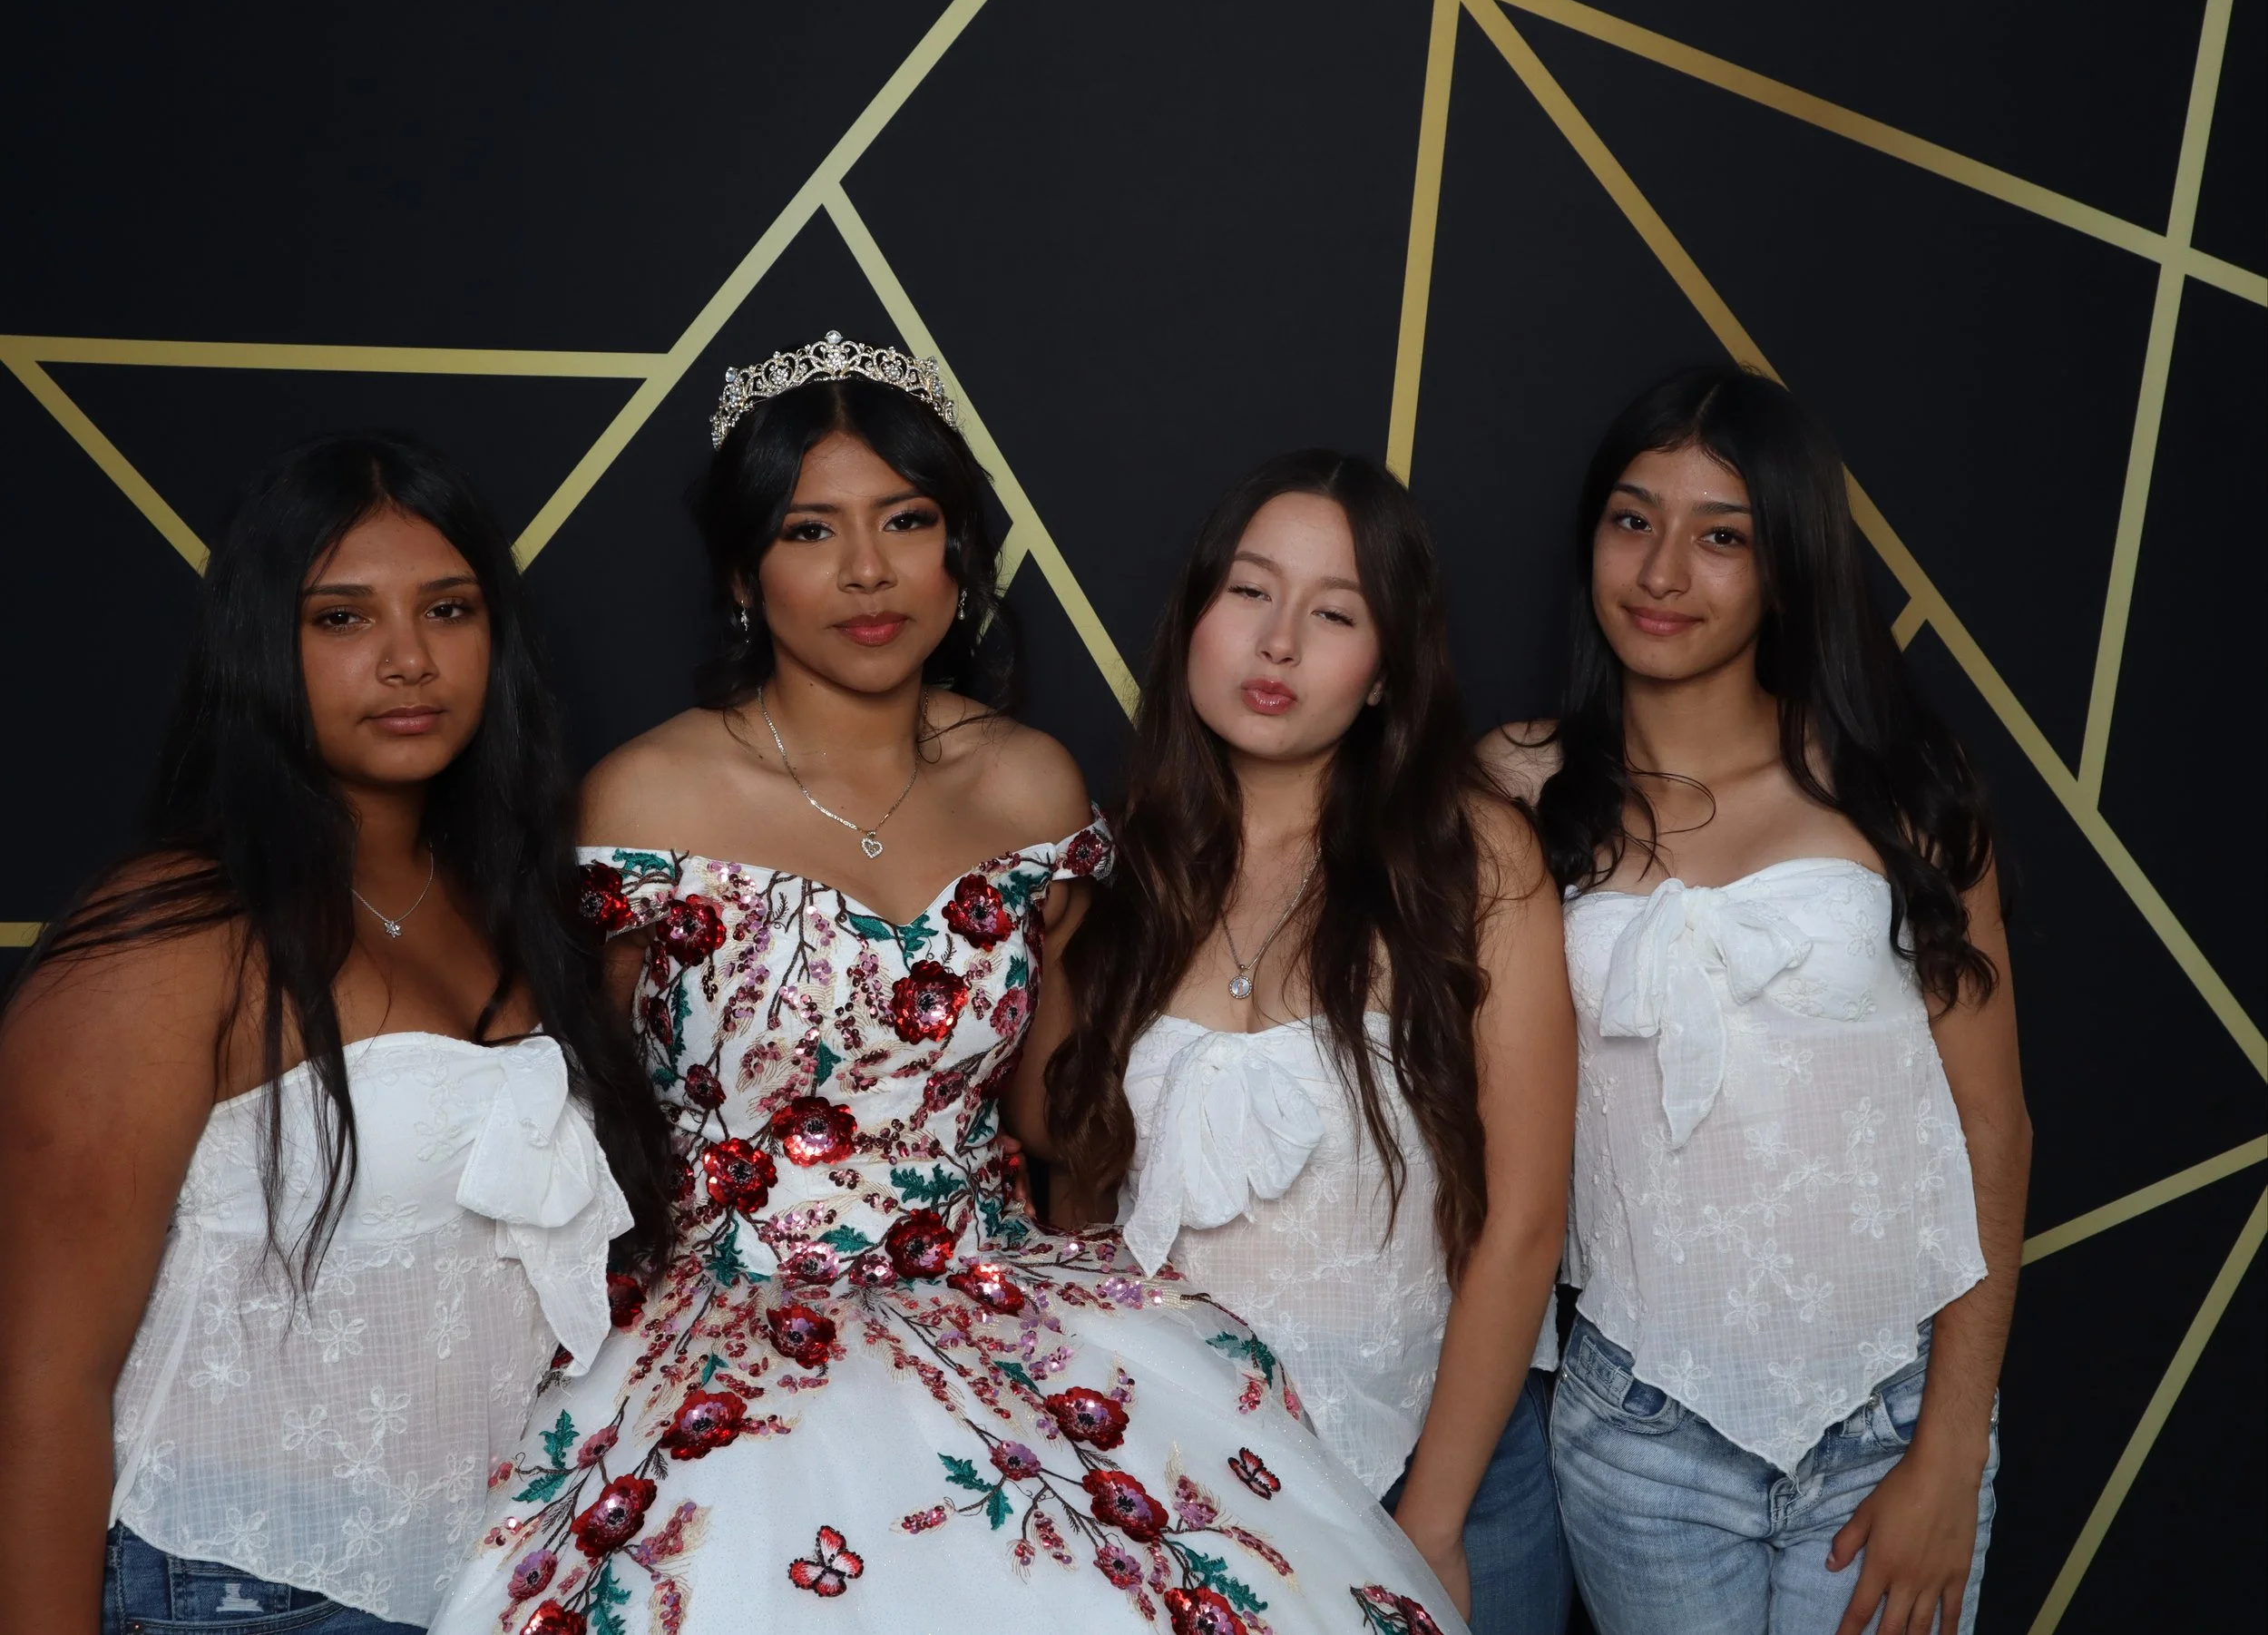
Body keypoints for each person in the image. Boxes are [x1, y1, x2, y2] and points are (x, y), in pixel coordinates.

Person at [429, 334, 1466, 1635]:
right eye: (812, 530)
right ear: (744, 574)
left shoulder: (1029, 783)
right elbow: (577, 1119)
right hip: (720, 1330)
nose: (868, 572)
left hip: (995, 1297)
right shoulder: (647, 796)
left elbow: (1053, 1109)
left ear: (957, 554)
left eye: (907, 521)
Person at [0, 433, 678, 1635]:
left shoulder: (511, 908)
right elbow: (40, 1387)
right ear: (265, 642)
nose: (408, 660)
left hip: (495, 1578)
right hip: (234, 1590)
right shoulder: (173, 931)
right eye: (342, 619)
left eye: (448, 608)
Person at [1484, 366, 2029, 1635]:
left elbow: (1993, 1129)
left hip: (1890, 1418)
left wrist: (1949, 1453)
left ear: (1786, 563)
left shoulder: (1904, 790)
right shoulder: (1521, 793)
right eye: (1634, 519)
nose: (1664, 569)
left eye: (1720, 534)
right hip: (1640, 1430)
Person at [1033, 451, 1578, 1634]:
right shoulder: (1113, 868)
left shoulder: (1474, 858)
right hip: (1178, 1494)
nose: (1278, 642)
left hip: (1442, 1479)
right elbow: (1077, 1202)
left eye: (1335, 613)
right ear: (1194, 619)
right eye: (1249, 592)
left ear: (1387, 671)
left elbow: (1526, 1215)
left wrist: (1427, 1524)